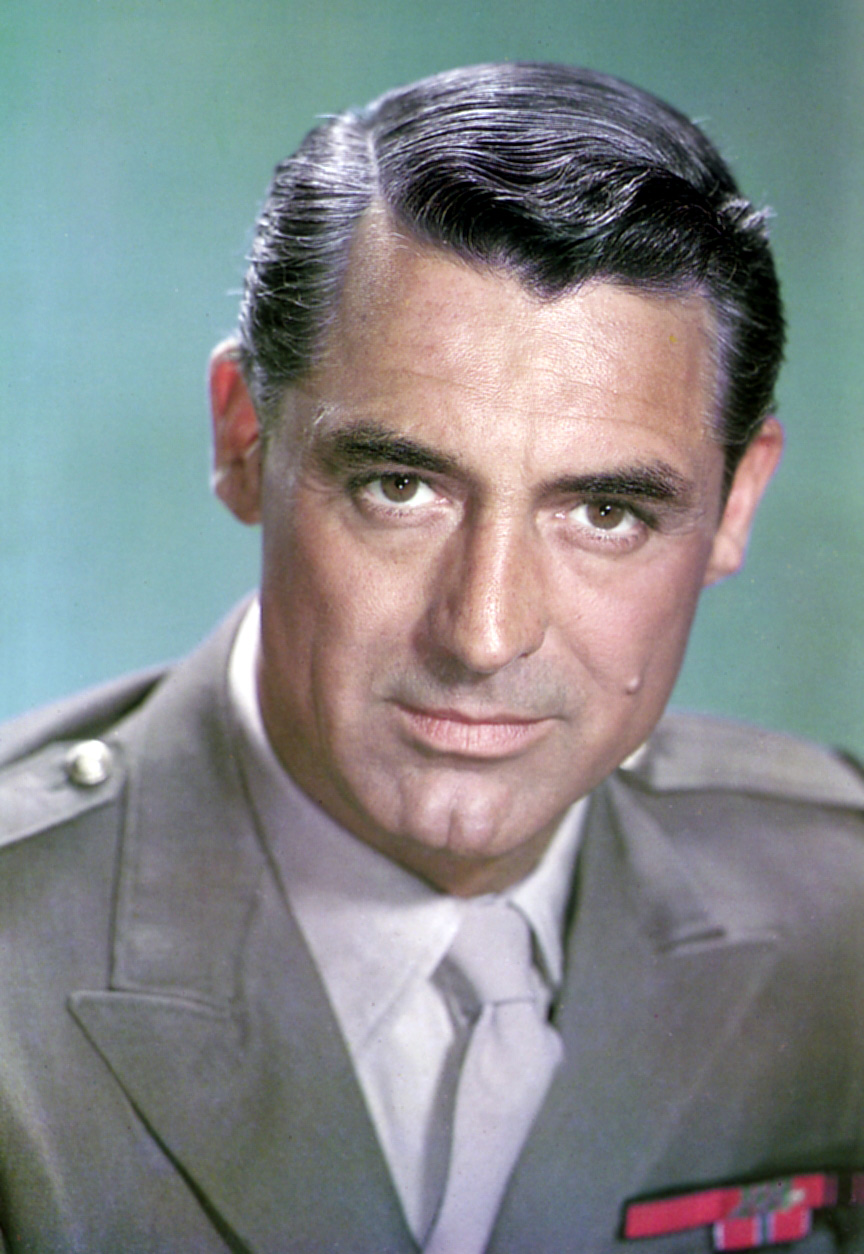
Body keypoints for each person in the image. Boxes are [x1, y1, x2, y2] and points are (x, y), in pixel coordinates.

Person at [0, 61, 862, 1254]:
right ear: (246, 439)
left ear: (734, 506)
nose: (484, 632)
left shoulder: (841, 918)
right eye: (400, 487)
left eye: (605, 512)